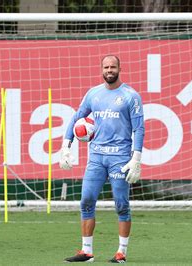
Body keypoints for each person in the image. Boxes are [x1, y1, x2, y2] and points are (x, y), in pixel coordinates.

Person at [59, 55, 144, 263]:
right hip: (96, 157)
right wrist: (65, 145)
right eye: (106, 67)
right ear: (101, 69)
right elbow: (77, 116)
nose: (109, 70)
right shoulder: (93, 94)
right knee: (86, 201)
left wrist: (136, 158)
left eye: (113, 67)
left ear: (119, 68)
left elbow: (139, 128)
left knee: (121, 204)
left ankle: (121, 252)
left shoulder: (131, 96)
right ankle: (86, 251)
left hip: (120, 158)